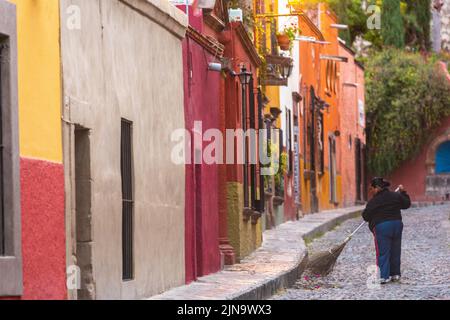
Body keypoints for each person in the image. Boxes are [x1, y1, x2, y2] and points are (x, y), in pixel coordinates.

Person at [362, 177, 411, 284]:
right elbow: (406, 204)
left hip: (382, 227)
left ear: (377, 188)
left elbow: (365, 216)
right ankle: (395, 274)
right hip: (397, 225)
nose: (371, 191)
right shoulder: (396, 196)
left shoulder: (374, 201)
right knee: (395, 250)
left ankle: (383, 276)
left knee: (383, 252)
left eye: (371, 189)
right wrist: (403, 192)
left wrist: (373, 215)